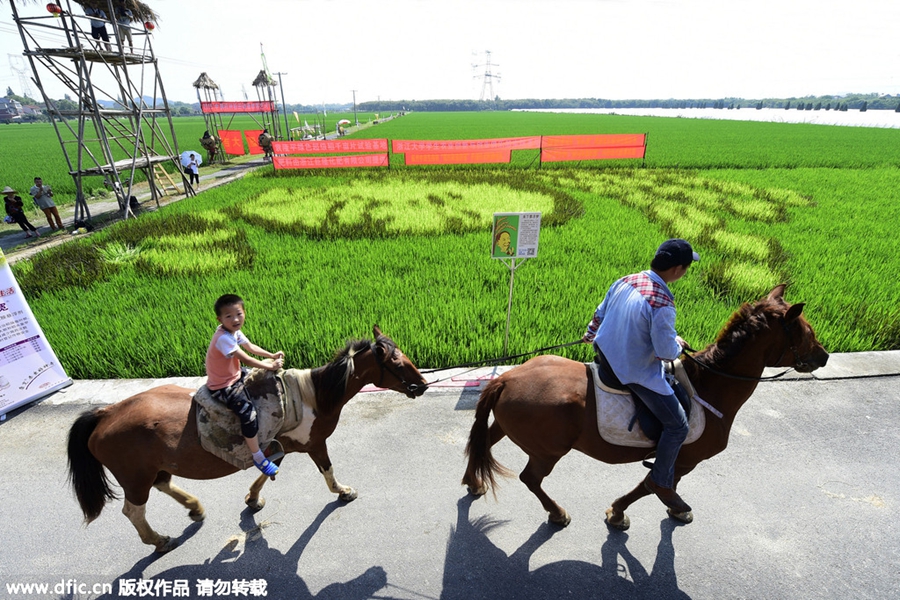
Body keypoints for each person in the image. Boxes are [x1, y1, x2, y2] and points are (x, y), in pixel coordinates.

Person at [583, 238, 700, 514]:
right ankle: (661, 481)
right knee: (678, 426)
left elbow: (599, 313)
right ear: (677, 270)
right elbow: (665, 352)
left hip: (604, 354)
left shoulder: (627, 280)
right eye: (686, 268)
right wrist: (677, 344)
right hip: (632, 370)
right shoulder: (662, 303)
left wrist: (590, 333)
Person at [205, 294, 285, 476]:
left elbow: (251, 347)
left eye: (238, 314)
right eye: (228, 316)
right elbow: (247, 358)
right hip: (224, 385)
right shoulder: (223, 338)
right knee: (248, 414)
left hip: (236, 374)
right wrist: (270, 365)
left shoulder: (234, 332)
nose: (235, 319)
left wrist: (271, 355)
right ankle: (257, 456)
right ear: (219, 319)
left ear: (244, 313)